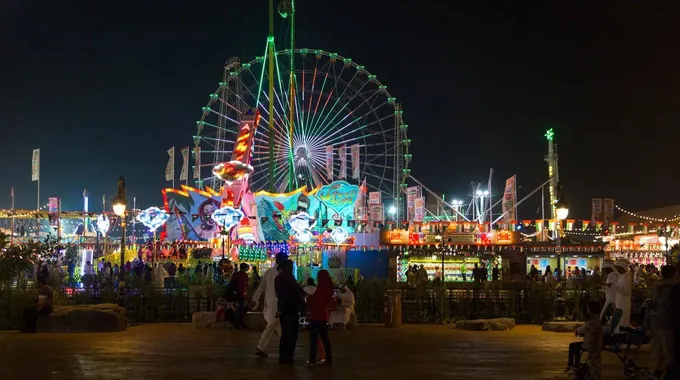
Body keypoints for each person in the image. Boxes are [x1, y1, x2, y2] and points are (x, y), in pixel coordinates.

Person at [252, 253, 287, 358]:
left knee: (277, 326)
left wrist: (255, 298)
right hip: (276, 305)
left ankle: (283, 348)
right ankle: (261, 346)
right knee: (273, 325)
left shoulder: (269, 272)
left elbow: (261, 287)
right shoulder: (282, 274)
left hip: (271, 304)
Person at [649, 265, 678, 377]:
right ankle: (656, 374)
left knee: (658, 352)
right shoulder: (670, 290)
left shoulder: (658, 288)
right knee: (669, 354)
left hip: (656, 322)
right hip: (666, 323)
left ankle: (655, 372)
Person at [275, 260, 305, 364]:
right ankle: (288, 356)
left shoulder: (279, 279)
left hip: (283, 310)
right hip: (291, 310)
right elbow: (297, 293)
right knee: (291, 334)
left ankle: (283, 356)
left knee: (285, 334)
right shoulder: (289, 279)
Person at [565, 301, 603, 378]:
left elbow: (581, 330)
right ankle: (575, 365)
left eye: (588, 308)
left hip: (589, 345)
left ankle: (572, 365)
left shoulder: (591, 322)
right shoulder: (597, 321)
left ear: (591, 310)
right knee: (576, 347)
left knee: (573, 346)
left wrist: (577, 330)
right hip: (594, 344)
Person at [307, 270, 334, 366]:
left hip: (316, 315)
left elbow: (315, 301)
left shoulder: (319, 288)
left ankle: (312, 359)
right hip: (324, 315)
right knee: (325, 338)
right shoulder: (329, 288)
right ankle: (329, 358)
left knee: (313, 339)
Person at [611, 259, 632, 332]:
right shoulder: (622, 276)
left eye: (618, 268)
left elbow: (625, 291)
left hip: (624, 304)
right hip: (620, 303)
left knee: (623, 323)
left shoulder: (626, 276)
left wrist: (613, 286)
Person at [232, 263, 250, 329]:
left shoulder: (236, 274)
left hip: (239, 294)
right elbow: (245, 286)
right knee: (239, 309)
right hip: (239, 294)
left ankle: (238, 322)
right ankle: (236, 324)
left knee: (240, 309)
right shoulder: (243, 275)